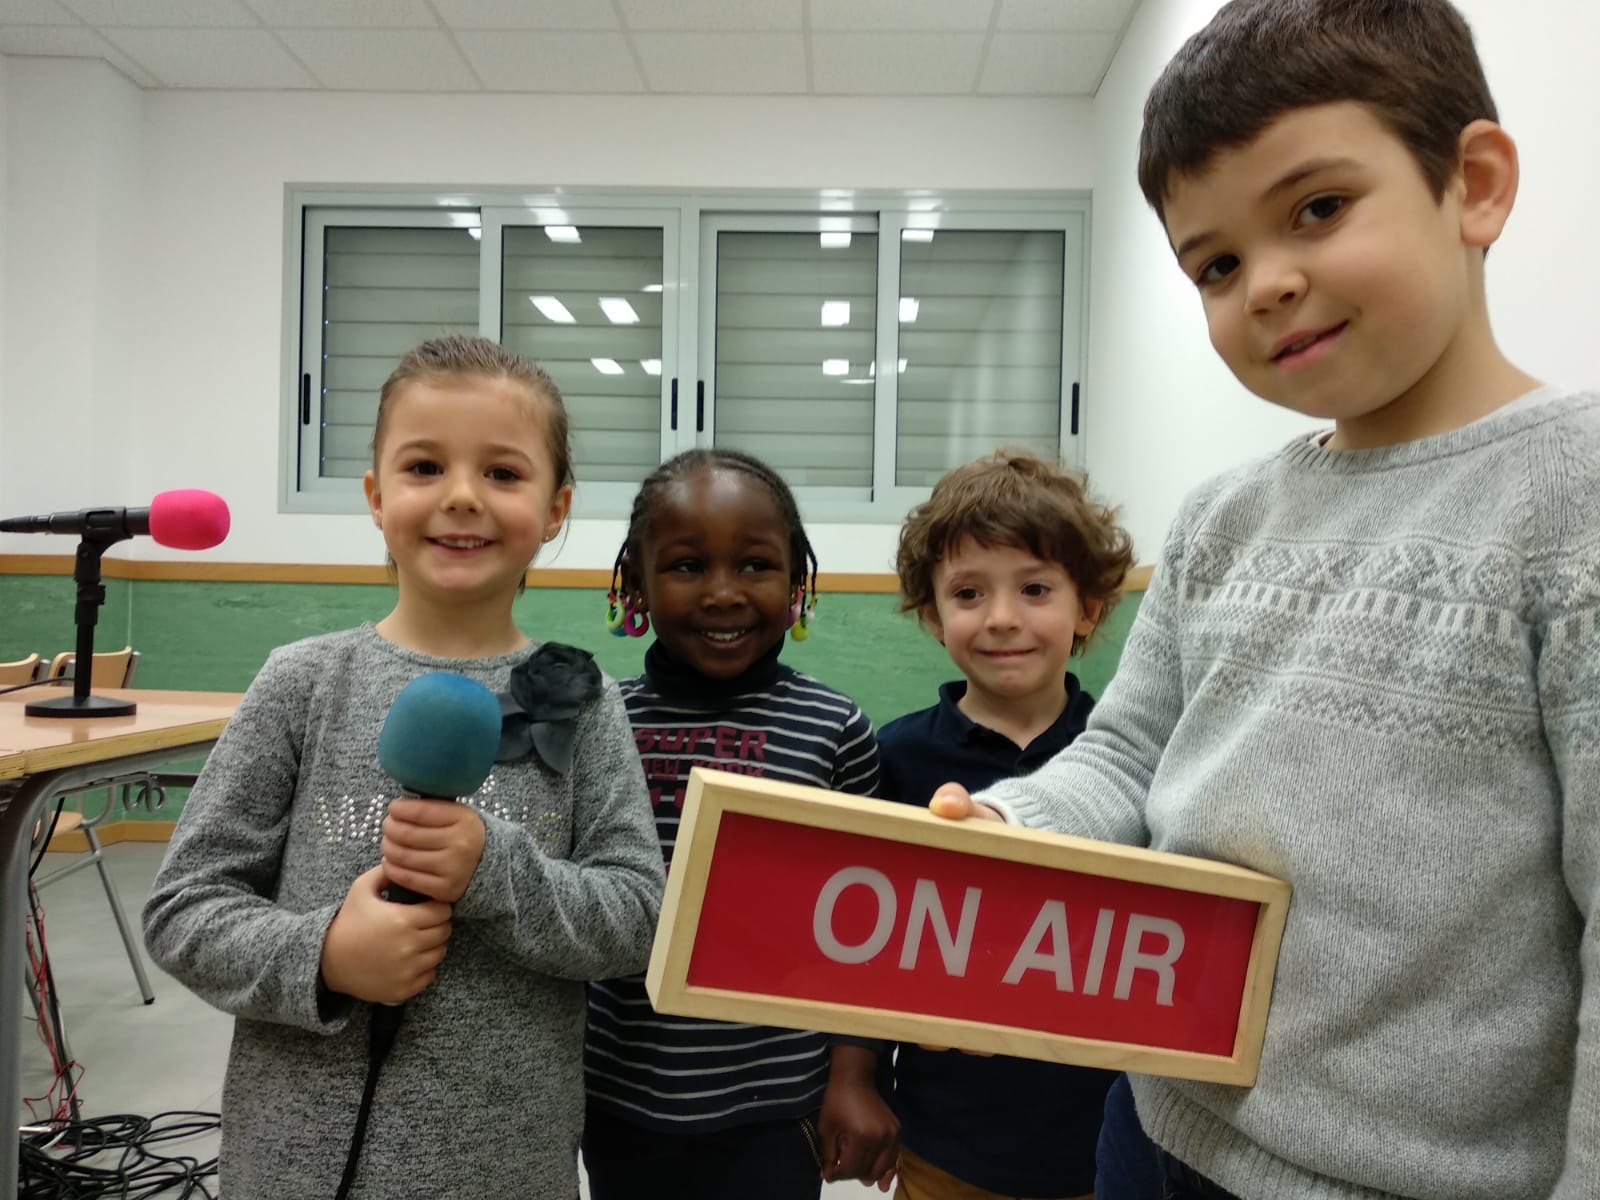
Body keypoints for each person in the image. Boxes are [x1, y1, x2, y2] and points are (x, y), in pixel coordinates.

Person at [928, 2, 1599, 1197]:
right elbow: (1127, 754)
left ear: (1475, 185)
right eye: (1217, 266)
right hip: (1153, 1126)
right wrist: (1015, 828)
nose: (1270, 285)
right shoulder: (1220, 519)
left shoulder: (1573, 504)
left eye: (1319, 208)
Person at [142, 335, 665, 1199]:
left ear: (556, 508)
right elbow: (183, 910)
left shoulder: (583, 701)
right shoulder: (303, 682)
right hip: (298, 1166)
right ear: (377, 497)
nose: (462, 495)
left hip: (505, 1168)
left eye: (502, 472)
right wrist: (324, 955)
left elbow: (637, 919)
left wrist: (496, 870)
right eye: (425, 467)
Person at [582, 447, 900, 1198]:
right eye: (688, 566)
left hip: (777, 1106)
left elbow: (870, 925)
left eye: (755, 565)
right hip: (619, 1095)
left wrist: (855, 1075)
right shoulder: (599, 724)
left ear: (797, 583)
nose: (723, 593)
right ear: (636, 583)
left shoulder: (835, 730)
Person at [871, 449, 1148, 1200]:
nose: (1001, 618)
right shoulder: (894, 756)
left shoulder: (1129, 762)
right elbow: (866, 944)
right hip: (945, 1143)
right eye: (969, 593)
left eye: (1035, 589)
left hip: (1105, 1143)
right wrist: (855, 1080)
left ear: (1088, 608)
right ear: (933, 615)